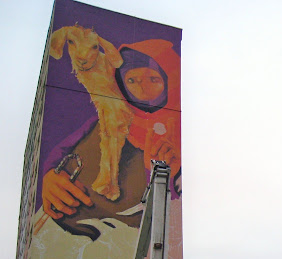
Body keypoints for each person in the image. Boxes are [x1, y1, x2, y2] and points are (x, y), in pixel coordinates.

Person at [39, 39, 181, 240]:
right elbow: (62, 151)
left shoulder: (175, 144)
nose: (142, 88)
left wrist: (160, 175)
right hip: (58, 233)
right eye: (132, 80)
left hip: (115, 246)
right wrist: (50, 176)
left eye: (153, 79)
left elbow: (169, 221)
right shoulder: (108, 118)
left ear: (170, 83)